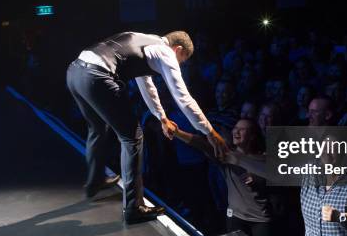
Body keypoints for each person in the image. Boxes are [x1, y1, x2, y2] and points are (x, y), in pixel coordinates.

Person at [66, 31, 227, 224]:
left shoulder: (145, 41)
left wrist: (162, 117)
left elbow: (146, 84)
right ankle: (134, 207)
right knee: (132, 137)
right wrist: (210, 132)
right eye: (181, 61)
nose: (179, 65)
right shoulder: (165, 53)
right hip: (97, 77)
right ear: (178, 49)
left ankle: (94, 182)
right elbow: (183, 98)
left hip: (75, 72)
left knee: (97, 128)